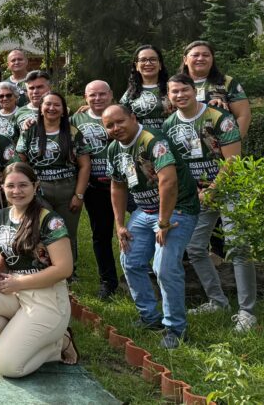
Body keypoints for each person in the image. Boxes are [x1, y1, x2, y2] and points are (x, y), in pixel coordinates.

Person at [0, 162, 77, 377]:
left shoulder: (50, 221)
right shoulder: (0, 216)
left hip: (45, 297)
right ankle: (17, 336)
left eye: (23, 185)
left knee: (8, 368)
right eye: (10, 186)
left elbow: (63, 269)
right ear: (2, 187)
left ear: (35, 185)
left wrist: (18, 283)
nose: (16, 191)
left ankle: (58, 344)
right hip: (11, 289)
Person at [103, 103, 199, 349]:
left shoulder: (153, 141)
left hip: (177, 210)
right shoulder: (114, 149)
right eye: (109, 125)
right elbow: (117, 185)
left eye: (120, 122)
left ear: (133, 117)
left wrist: (164, 223)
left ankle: (175, 328)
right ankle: (149, 317)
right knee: (130, 261)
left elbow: (168, 182)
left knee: (164, 267)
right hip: (143, 211)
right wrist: (120, 224)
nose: (116, 128)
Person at [165, 75, 255, 332]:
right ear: (169, 97)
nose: (180, 95)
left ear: (194, 91)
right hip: (199, 193)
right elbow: (179, 165)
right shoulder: (170, 123)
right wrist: (195, 190)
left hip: (229, 188)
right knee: (194, 248)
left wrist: (214, 189)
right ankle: (218, 301)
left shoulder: (220, 118)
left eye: (185, 90)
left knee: (238, 247)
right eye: (174, 92)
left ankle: (247, 312)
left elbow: (233, 162)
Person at [16, 91, 90, 264]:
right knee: (40, 230)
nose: (52, 108)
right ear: (40, 108)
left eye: (57, 105)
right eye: (47, 104)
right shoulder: (30, 131)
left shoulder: (72, 132)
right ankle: (43, 267)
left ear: (64, 110)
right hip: (40, 190)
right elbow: (20, 160)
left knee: (67, 232)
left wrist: (79, 195)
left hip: (67, 189)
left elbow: (85, 165)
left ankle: (68, 273)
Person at [71, 80, 120, 299]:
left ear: (111, 95)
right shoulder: (76, 119)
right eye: (92, 95)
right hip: (94, 185)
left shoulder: (120, 113)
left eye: (102, 94)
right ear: (85, 97)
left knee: (143, 226)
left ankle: (147, 271)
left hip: (124, 182)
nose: (97, 98)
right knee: (101, 234)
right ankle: (108, 281)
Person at [179, 40, 251, 137]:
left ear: (212, 59)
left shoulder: (227, 82)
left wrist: (234, 141)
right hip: (183, 142)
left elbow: (243, 115)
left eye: (206, 55)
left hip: (222, 144)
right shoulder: (175, 85)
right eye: (195, 55)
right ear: (185, 60)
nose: (200, 58)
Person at [119, 45, 170, 130]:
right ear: (136, 66)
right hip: (140, 140)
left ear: (160, 64)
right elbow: (120, 116)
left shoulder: (172, 88)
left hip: (168, 138)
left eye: (153, 59)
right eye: (143, 60)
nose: (148, 63)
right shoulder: (130, 93)